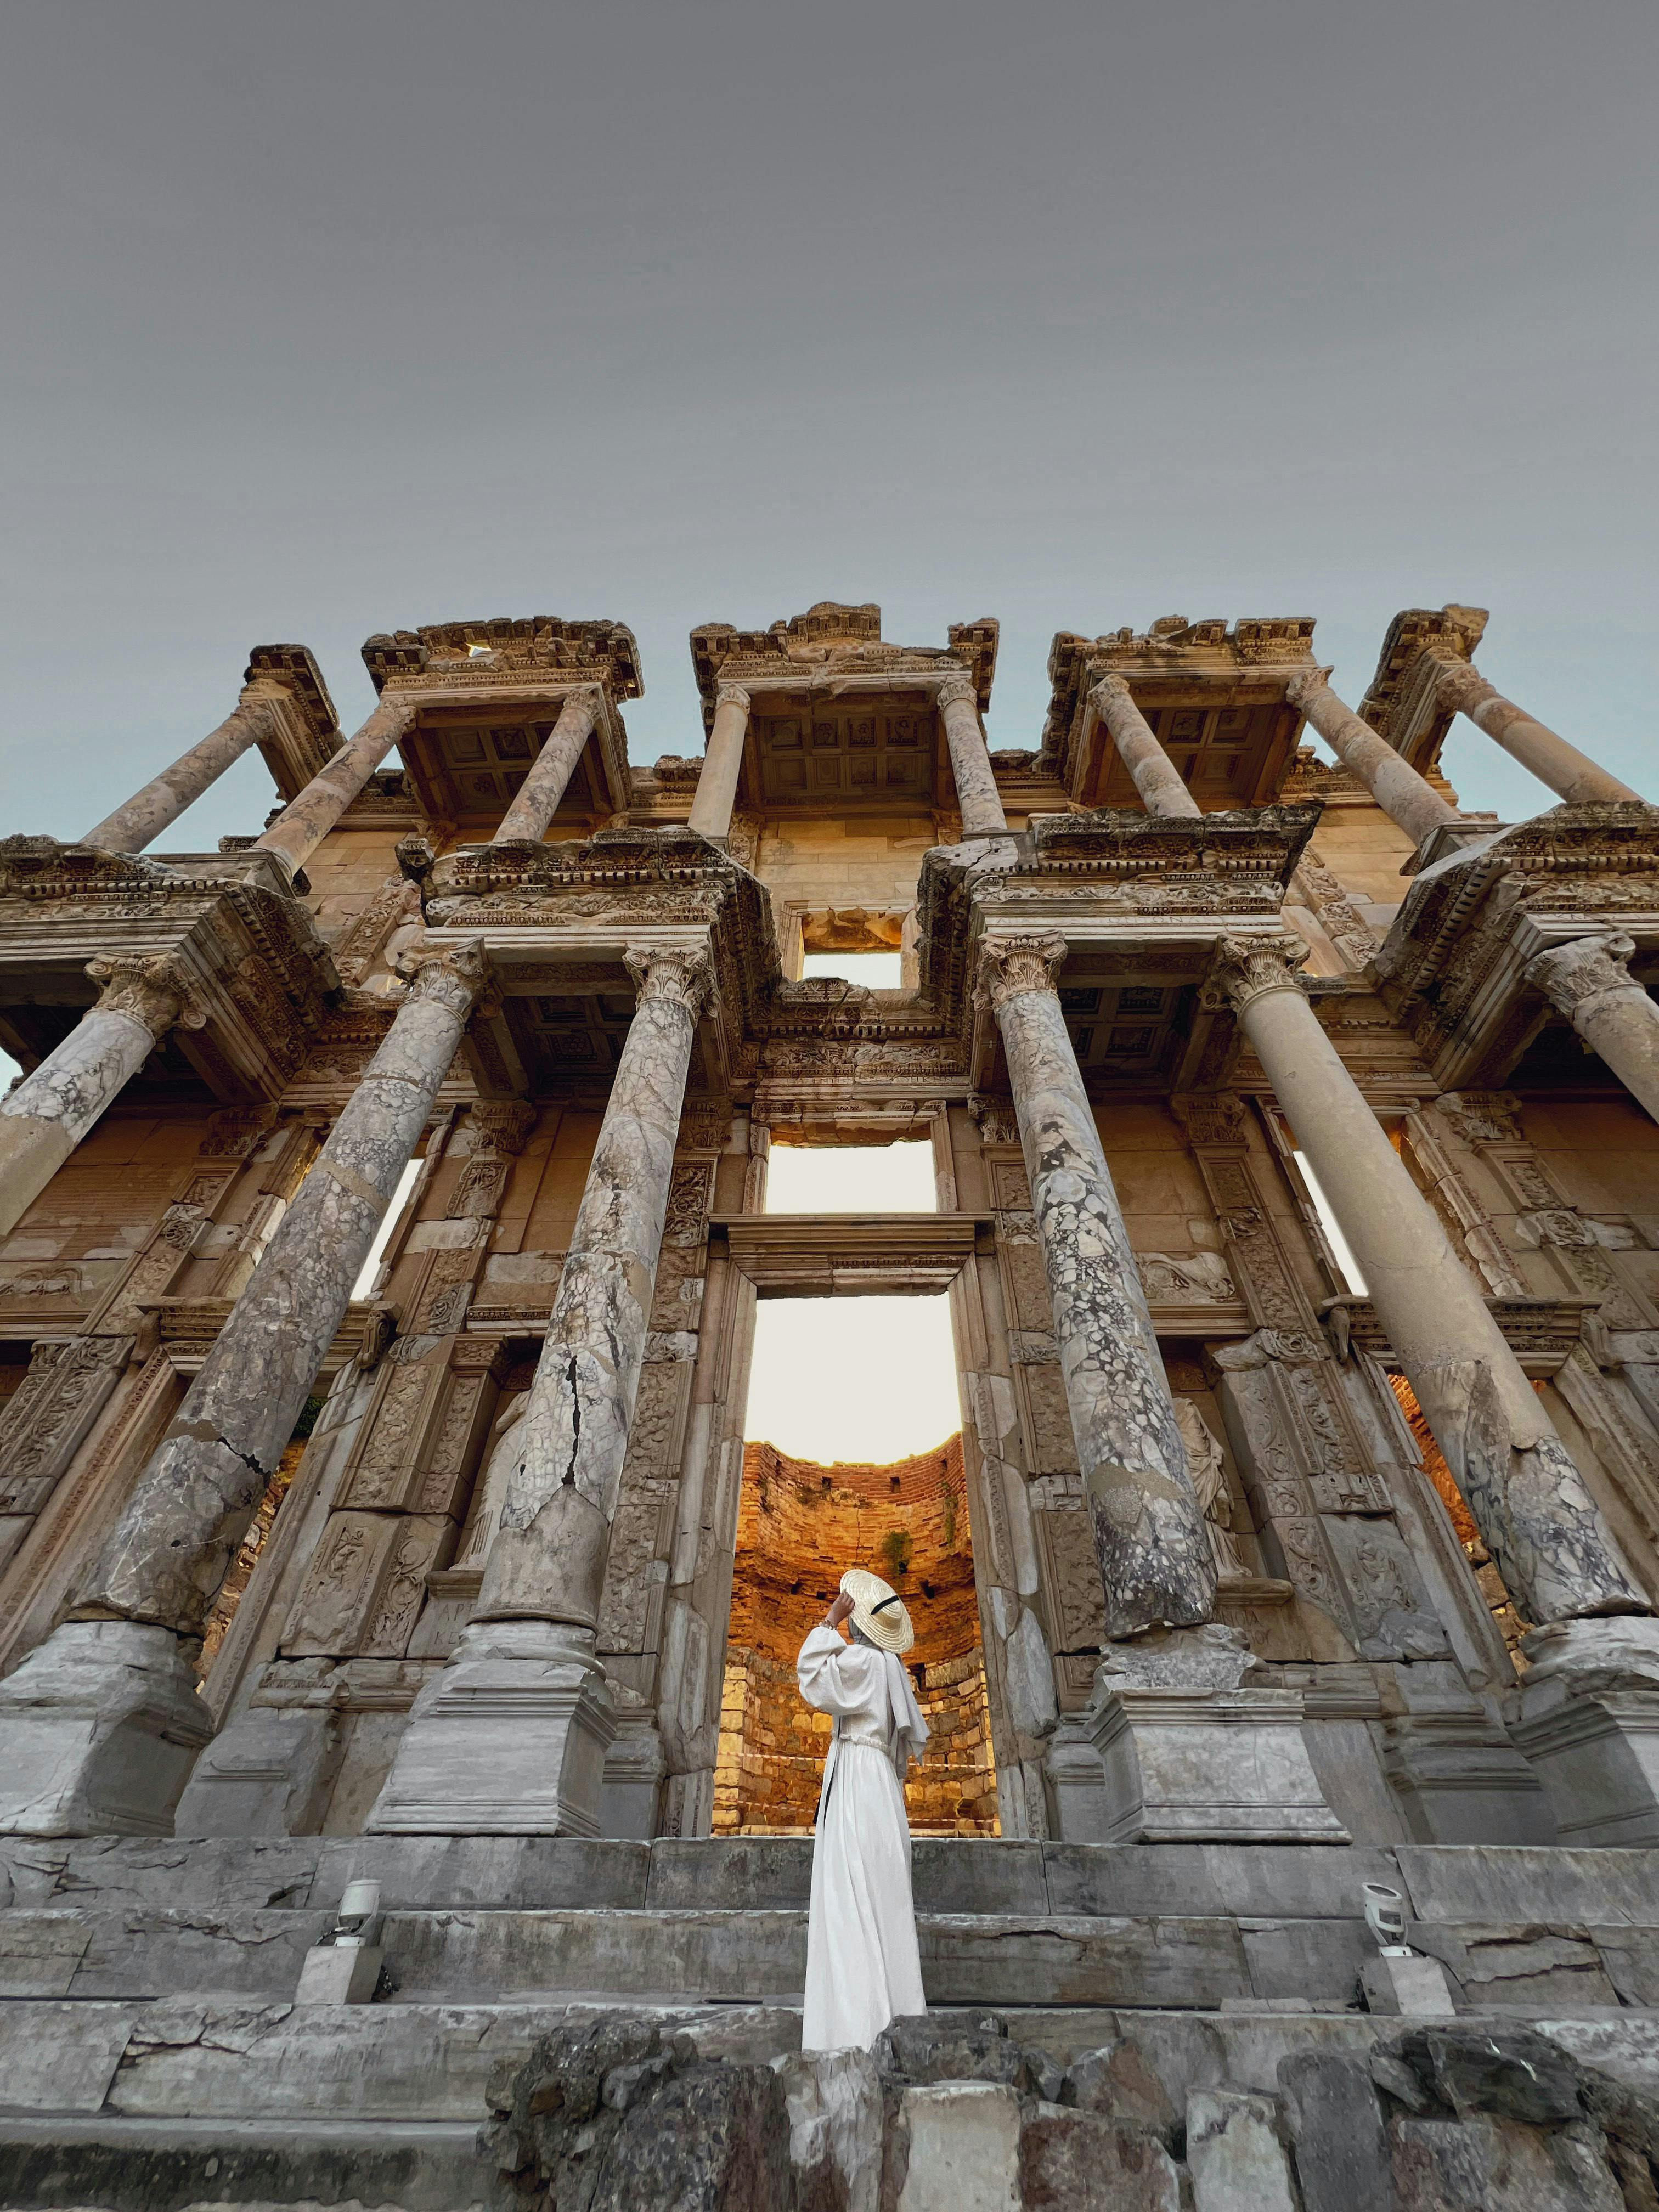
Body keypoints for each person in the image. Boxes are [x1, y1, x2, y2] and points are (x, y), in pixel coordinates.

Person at [796, 1566, 930, 2053]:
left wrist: (828, 1622)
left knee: (848, 1894)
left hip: (855, 1776)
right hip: (881, 1786)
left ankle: (853, 2027)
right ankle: (896, 2012)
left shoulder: (863, 1664)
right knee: (882, 1893)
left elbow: (811, 1676)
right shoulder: (894, 1671)